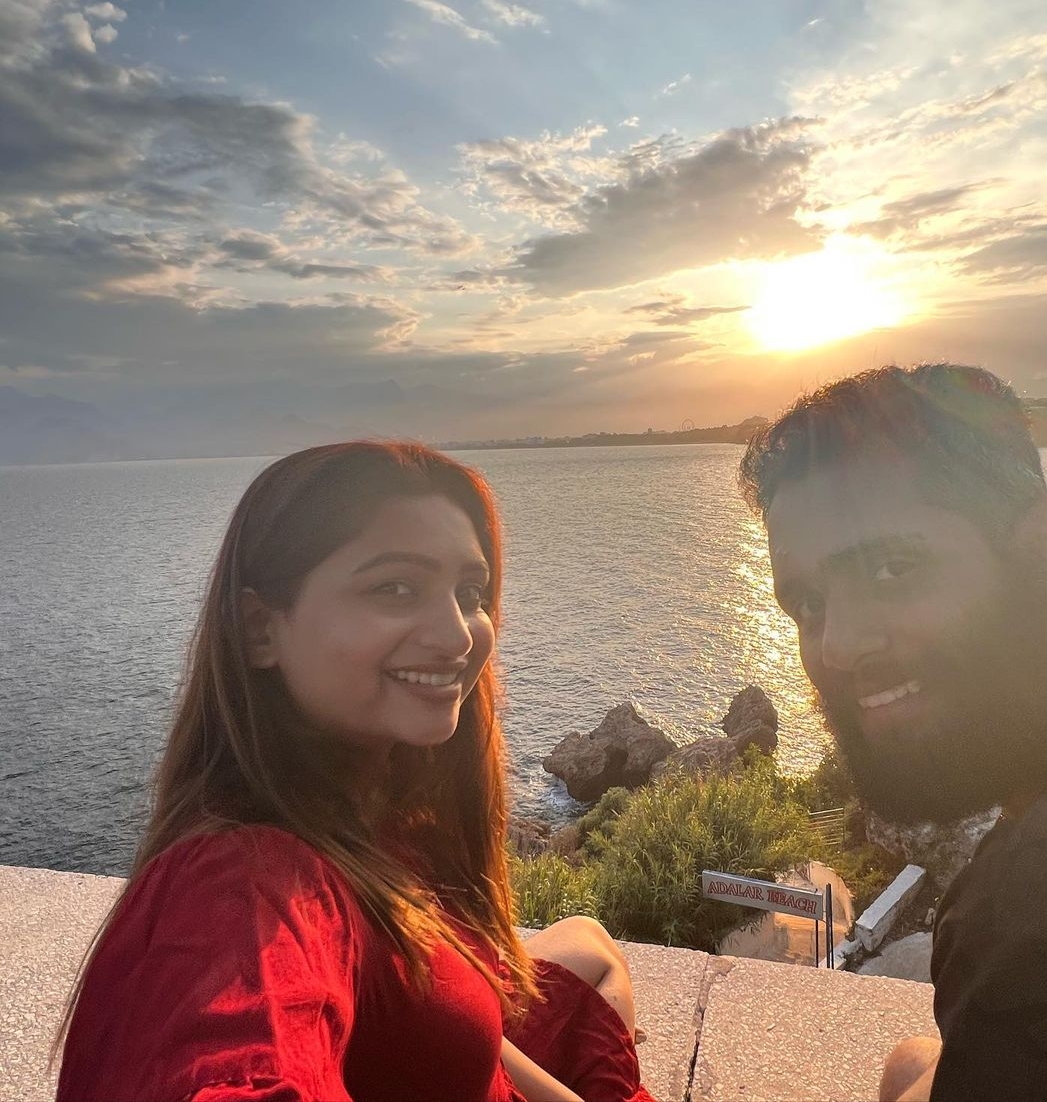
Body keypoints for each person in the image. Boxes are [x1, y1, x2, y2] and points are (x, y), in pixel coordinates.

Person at [54, 441, 654, 1102]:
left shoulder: (362, 810)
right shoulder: (247, 882)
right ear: (260, 628)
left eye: (469, 591)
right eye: (394, 587)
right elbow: (230, 1058)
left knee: (589, 942)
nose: (459, 635)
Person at [737, 364, 1047, 1102]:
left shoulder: (1027, 927)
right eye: (808, 601)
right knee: (911, 1064)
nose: (836, 645)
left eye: (894, 566)